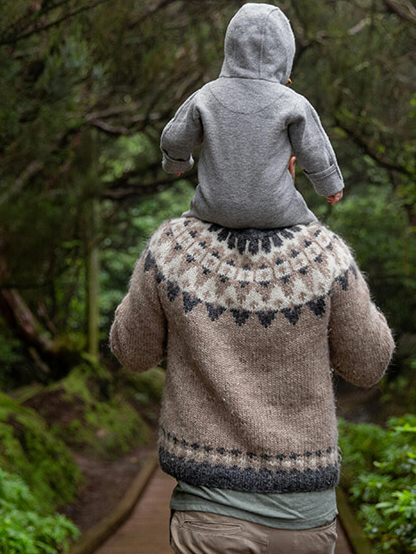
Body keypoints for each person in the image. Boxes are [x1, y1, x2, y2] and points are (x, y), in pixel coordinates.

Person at [108, 196, 395, 553]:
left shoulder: (171, 249)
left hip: (209, 514)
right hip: (303, 517)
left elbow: (132, 353)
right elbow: (369, 365)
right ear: (291, 163)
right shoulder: (324, 254)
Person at [160, 2, 345, 230]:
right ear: (285, 52)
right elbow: (315, 149)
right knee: (316, 238)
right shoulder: (292, 102)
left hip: (213, 210)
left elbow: (175, 136)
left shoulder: (207, 95)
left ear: (231, 45)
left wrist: (176, 161)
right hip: (278, 211)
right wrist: (330, 185)